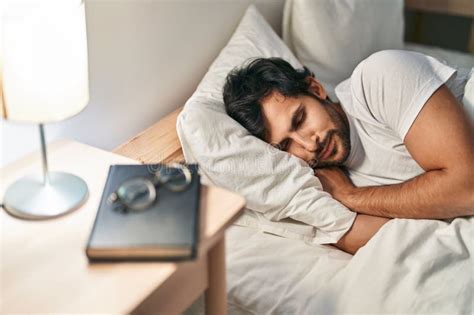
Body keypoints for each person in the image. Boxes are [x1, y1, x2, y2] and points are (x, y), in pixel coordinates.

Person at [223, 50, 474, 254]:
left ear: (315, 89)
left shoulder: (378, 77)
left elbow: (467, 188)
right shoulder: (320, 180)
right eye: (286, 145)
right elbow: (406, 245)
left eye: (300, 119)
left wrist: (352, 196)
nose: (309, 146)